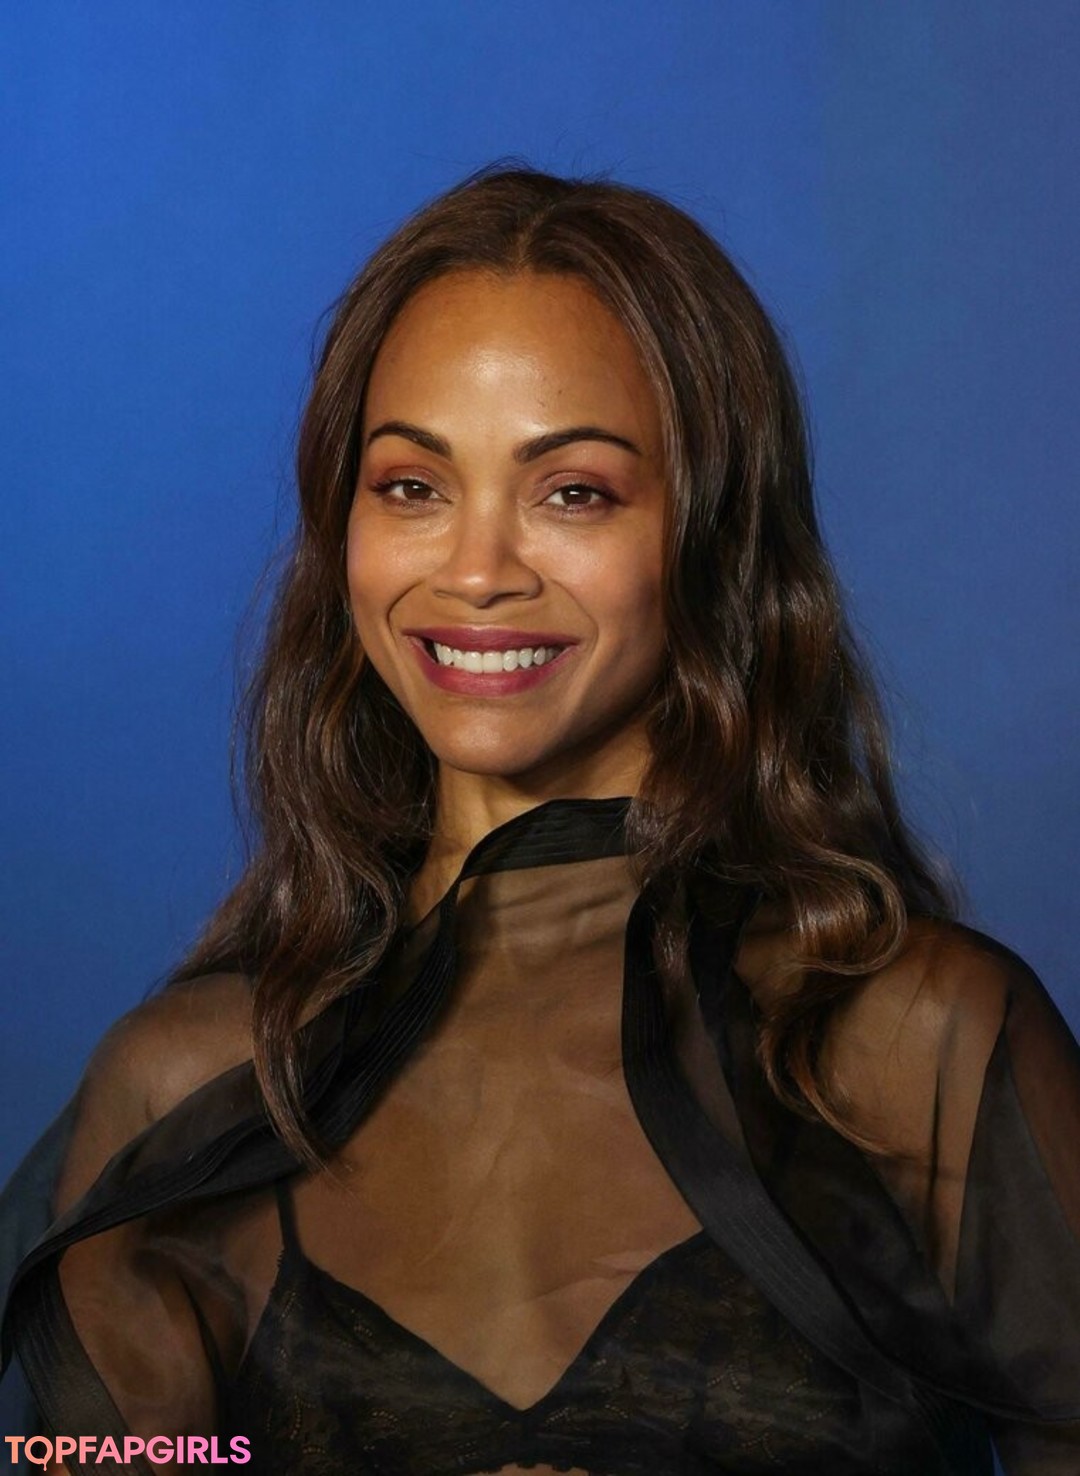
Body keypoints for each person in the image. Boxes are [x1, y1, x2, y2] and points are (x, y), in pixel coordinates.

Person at [2, 165, 1078, 1476]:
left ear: (712, 531)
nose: (474, 572)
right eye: (411, 486)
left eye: (573, 492)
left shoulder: (916, 1045)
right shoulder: (194, 1094)